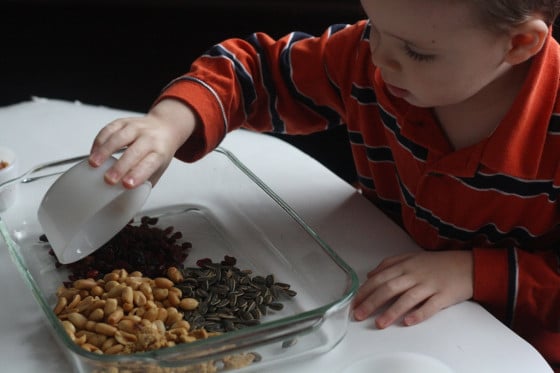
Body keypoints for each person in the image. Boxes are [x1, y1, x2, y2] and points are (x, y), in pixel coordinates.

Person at [88, 0, 560, 369]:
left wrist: (477, 273)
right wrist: (172, 122)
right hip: (376, 303)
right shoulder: (369, 56)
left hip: (521, 345)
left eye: (418, 52)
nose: (381, 61)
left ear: (518, 44)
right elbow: (255, 70)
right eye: (373, 26)